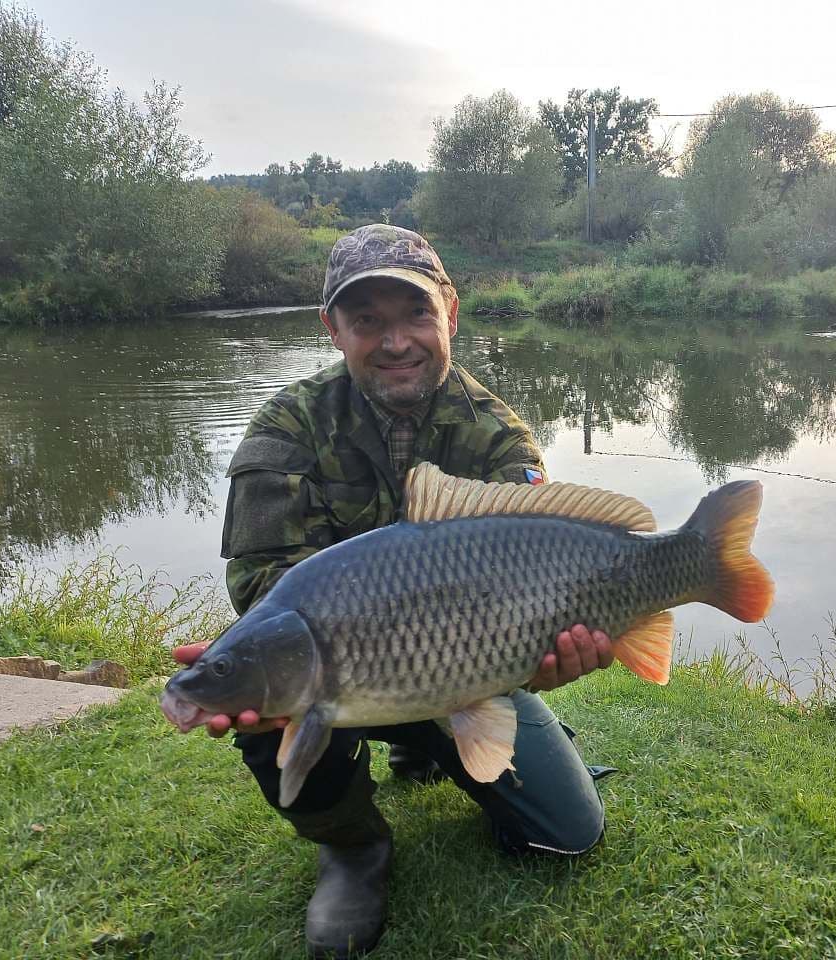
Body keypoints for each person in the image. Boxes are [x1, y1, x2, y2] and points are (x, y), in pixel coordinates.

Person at [171, 224, 615, 958]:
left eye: (415, 313)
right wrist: (240, 661)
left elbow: (542, 586)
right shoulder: (286, 428)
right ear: (333, 328)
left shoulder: (499, 438)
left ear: (451, 313)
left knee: (568, 832)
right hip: (341, 672)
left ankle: (429, 746)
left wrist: (550, 655)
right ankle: (353, 846)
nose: (396, 340)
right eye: (367, 319)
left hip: (468, 670)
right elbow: (261, 585)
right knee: (265, 702)